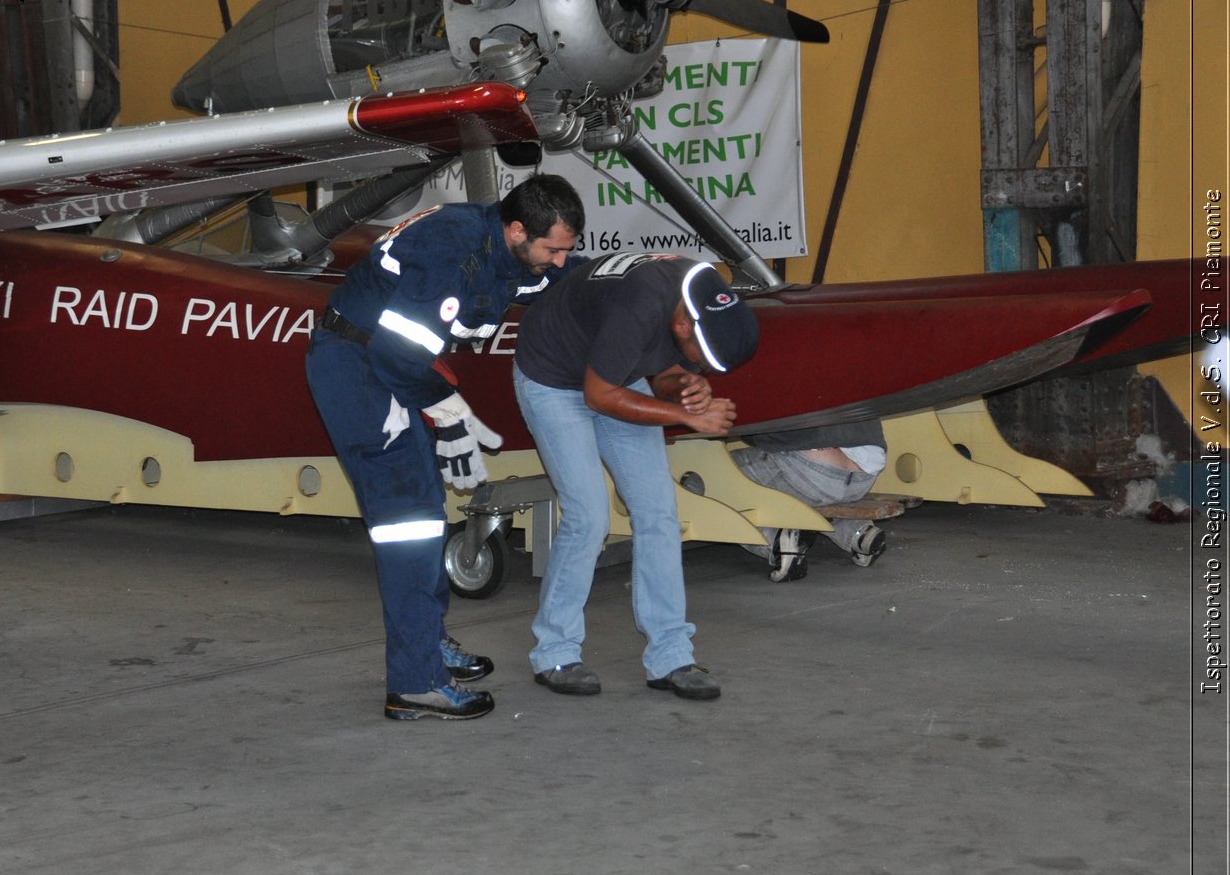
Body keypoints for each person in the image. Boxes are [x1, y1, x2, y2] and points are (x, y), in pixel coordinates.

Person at [306, 174, 586, 721]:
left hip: (385, 369)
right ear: (516, 229)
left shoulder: (502, 247)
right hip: (363, 369)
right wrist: (448, 412)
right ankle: (416, 684)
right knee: (408, 524)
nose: (558, 261)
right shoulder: (452, 249)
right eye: (552, 249)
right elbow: (394, 355)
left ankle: (427, 643)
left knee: (427, 514)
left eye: (567, 249)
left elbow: (565, 280)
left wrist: (633, 271)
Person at [514, 253, 758, 699]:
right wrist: (686, 417)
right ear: (684, 326)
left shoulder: (703, 298)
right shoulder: (642, 304)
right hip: (552, 375)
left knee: (659, 513)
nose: (700, 367)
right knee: (588, 516)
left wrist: (684, 388)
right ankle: (554, 652)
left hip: (613, 374)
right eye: (701, 360)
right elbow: (598, 396)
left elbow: (663, 371)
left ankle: (670, 656)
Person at [729, 421, 889, 582]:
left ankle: (777, 542)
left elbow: (756, 426)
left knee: (720, 475)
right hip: (864, 477)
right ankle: (859, 533)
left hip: (812, 470)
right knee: (808, 494)